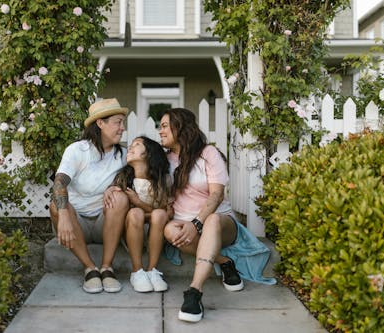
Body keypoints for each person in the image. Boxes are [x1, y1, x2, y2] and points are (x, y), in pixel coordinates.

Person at [159, 108, 276, 322]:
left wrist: (197, 222)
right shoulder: (165, 160)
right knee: (168, 230)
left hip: (220, 222)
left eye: (165, 126)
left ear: (181, 127)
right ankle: (225, 262)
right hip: (184, 224)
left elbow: (216, 195)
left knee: (211, 220)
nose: (161, 131)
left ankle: (194, 292)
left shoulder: (208, 154)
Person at [49, 98, 130, 294]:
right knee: (56, 204)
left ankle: (107, 267)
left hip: (106, 222)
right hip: (76, 225)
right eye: (117, 122)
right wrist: (64, 215)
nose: (122, 128)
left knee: (120, 198)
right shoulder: (78, 150)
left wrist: (117, 186)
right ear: (100, 123)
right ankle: (90, 268)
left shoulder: (124, 155)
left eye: (122, 123)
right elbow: (59, 182)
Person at [111, 136, 171, 292]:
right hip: (131, 230)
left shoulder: (162, 181)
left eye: (137, 145)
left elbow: (166, 212)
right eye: (131, 145)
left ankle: (152, 270)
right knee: (136, 213)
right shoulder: (124, 179)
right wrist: (138, 207)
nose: (130, 147)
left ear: (149, 154)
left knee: (159, 214)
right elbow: (123, 213)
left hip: (155, 230)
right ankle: (137, 271)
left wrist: (138, 202)